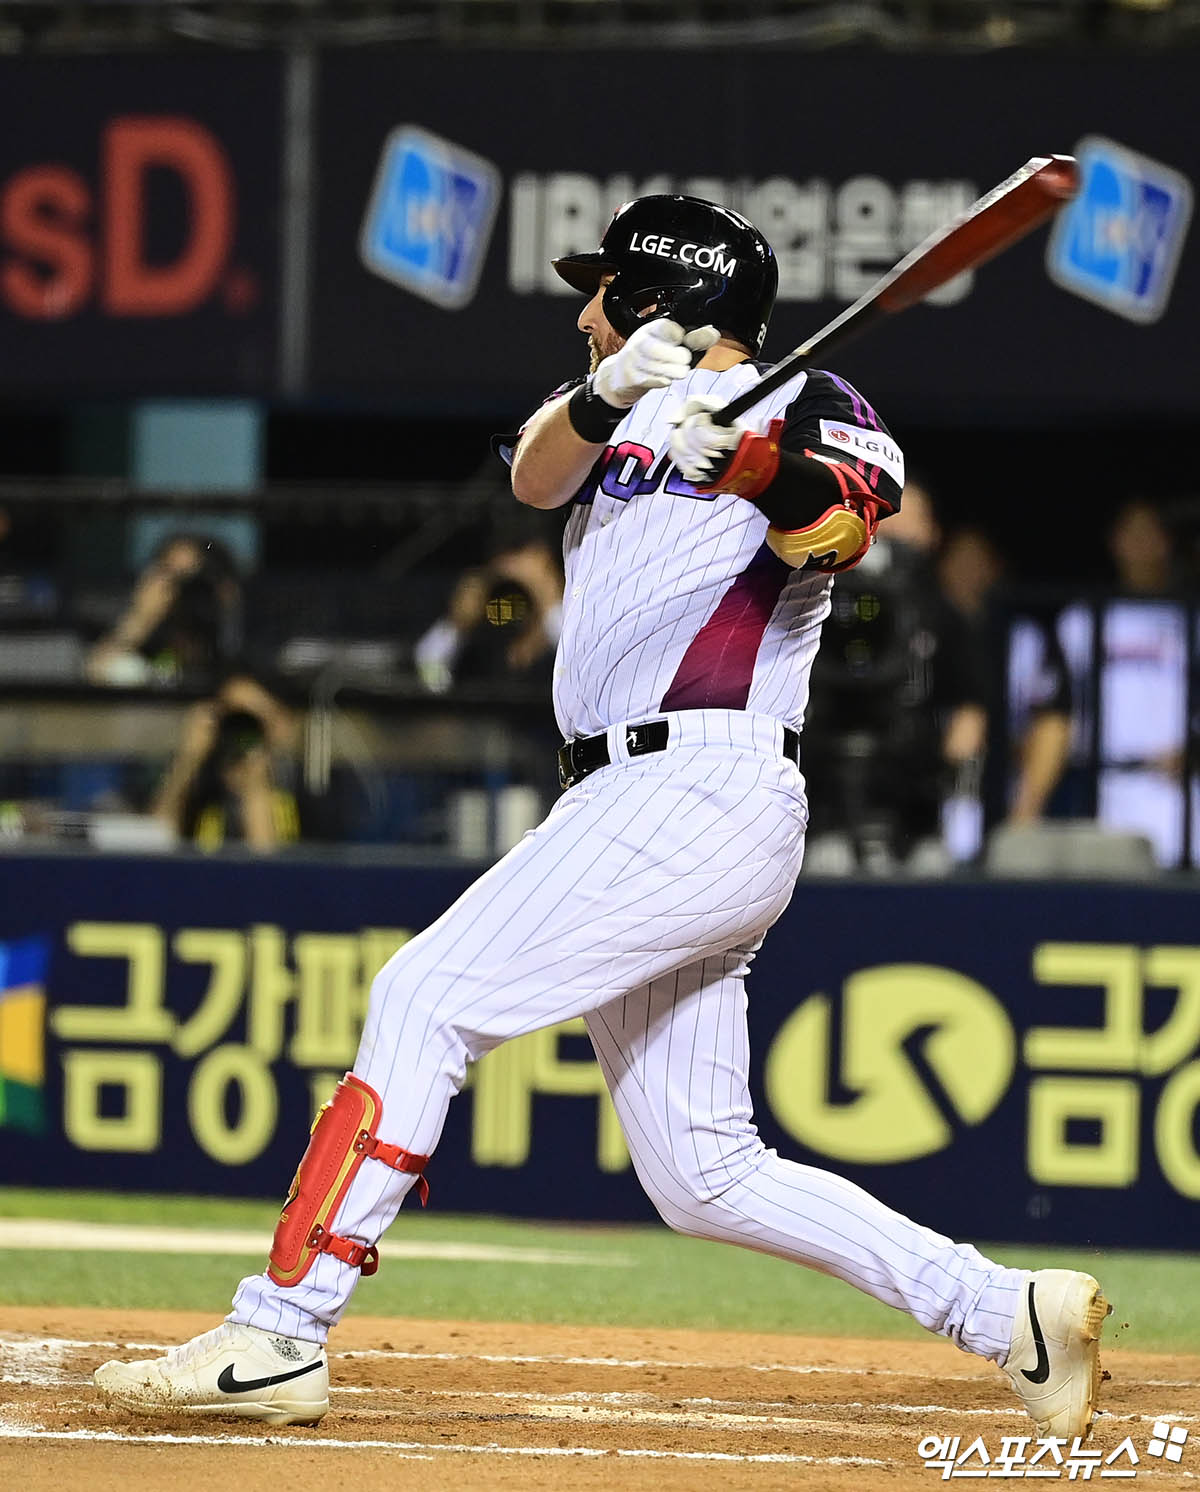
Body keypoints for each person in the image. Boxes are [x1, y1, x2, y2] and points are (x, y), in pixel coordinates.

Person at [94, 194, 1109, 1437]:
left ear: (659, 293)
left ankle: (280, 1330)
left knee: (424, 996)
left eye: (604, 293)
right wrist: (610, 391)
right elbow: (534, 475)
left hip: (702, 781)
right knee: (704, 1171)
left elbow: (844, 529)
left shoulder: (812, 401)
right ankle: (1008, 1312)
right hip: (630, 793)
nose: (585, 314)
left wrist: (749, 465)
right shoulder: (620, 400)